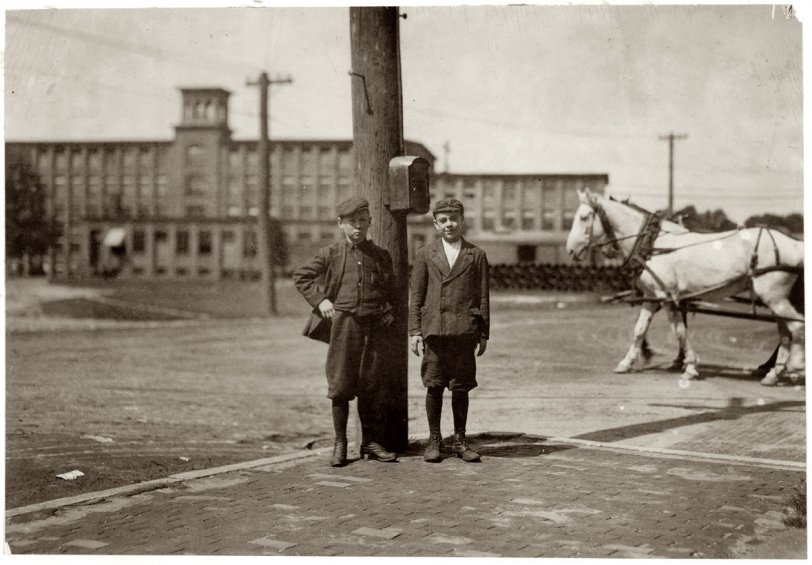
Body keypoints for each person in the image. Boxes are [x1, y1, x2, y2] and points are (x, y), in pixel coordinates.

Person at [292, 196, 398, 467]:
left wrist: (387, 311)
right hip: (344, 327)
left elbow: (392, 291)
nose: (359, 227)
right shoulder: (331, 253)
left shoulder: (380, 256)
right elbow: (301, 277)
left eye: (363, 221)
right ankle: (340, 444)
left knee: (371, 385)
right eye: (353, 222)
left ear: (370, 222)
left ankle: (370, 442)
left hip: (374, 328)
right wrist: (322, 301)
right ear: (341, 224)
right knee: (340, 386)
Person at [408, 198, 490, 463]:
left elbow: (483, 296)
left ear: (462, 220)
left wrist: (484, 332)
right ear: (435, 223)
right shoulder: (425, 254)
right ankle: (434, 440)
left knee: (461, 388)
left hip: (464, 332)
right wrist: (415, 331)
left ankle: (460, 440)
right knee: (434, 386)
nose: (449, 224)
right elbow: (416, 297)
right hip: (435, 332)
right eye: (443, 220)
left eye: (454, 218)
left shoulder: (476, 254)